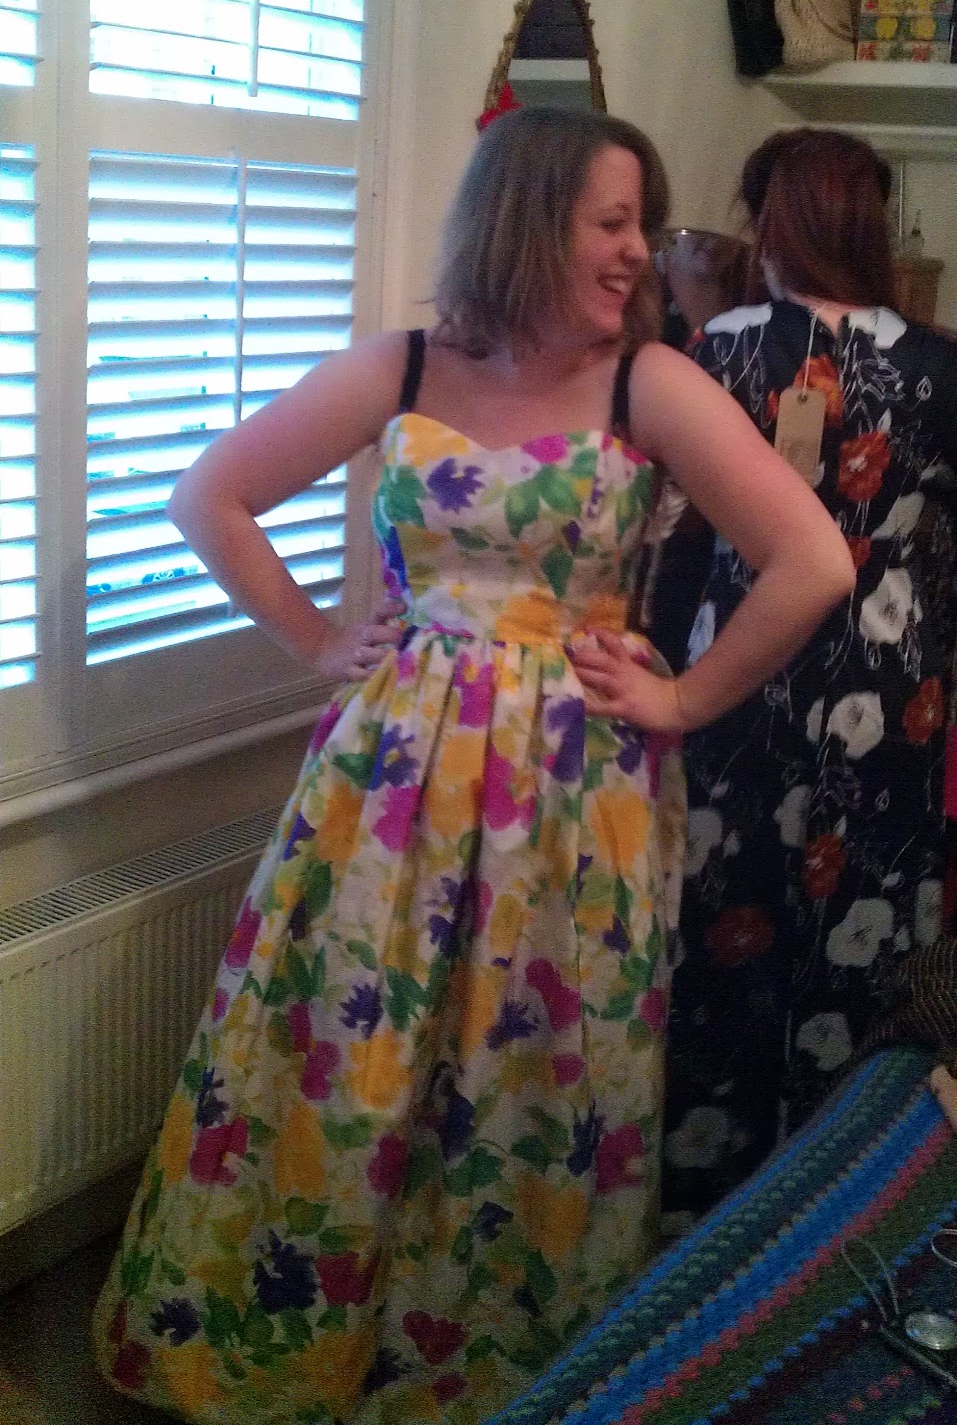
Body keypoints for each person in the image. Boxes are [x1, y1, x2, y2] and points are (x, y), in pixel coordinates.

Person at [93, 106, 853, 1424]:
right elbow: (209, 494)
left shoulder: (649, 383)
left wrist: (682, 696)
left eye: (638, 223)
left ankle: (486, 1367)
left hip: (573, 791)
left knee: (533, 1069)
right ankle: (290, 1337)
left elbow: (814, 562)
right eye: (610, 222)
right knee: (347, 1041)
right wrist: (316, 638)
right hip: (391, 783)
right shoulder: (402, 365)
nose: (639, 252)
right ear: (526, 217)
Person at [659, 128, 957, 1226]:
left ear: (769, 222)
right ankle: (847, 1188)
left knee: (724, 912)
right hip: (892, 682)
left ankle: (706, 1192)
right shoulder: (940, 366)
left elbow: (679, 532)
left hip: (742, 663)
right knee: (867, 915)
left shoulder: (715, 352)